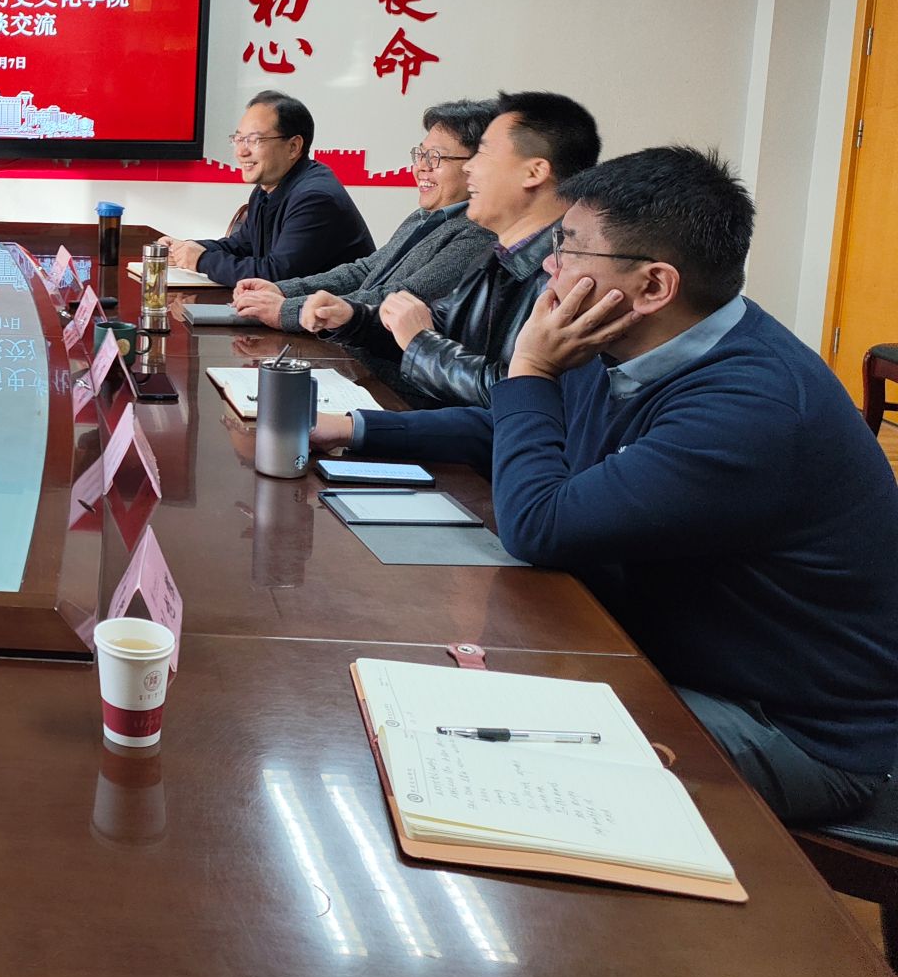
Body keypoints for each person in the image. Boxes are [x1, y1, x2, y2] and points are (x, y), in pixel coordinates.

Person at [315, 148, 898, 826]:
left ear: (653, 285)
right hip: (662, 653)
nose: (550, 267)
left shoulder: (753, 406)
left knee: (470, 770)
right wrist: (354, 428)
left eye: (568, 248)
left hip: (788, 727)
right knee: (403, 699)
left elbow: (541, 527)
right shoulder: (632, 338)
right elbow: (519, 426)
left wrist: (530, 368)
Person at [357, 90, 599, 407]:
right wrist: (350, 319)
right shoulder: (500, 252)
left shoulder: (566, 275)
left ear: (534, 172)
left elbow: (519, 395)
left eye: (483, 153)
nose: (470, 168)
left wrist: (420, 344)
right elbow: (435, 322)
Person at [229, 99, 497, 376]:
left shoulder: (478, 236)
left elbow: (397, 299)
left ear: (478, 166)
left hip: (388, 379)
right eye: (421, 155)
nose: (420, 168)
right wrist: (283, 291)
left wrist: (286, 309)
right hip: (351, 358)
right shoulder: (426, 216)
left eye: (436, 157)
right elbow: (365, 270)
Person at [164, 90, 374, 285]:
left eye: (254, 140)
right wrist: (186, 249)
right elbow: (243, 246)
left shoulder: (315, 198)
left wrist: (201, 260)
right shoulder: (266, 188)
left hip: (332, 311)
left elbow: (277, 274)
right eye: (239, 139)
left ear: (293, 147)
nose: (241, 152)